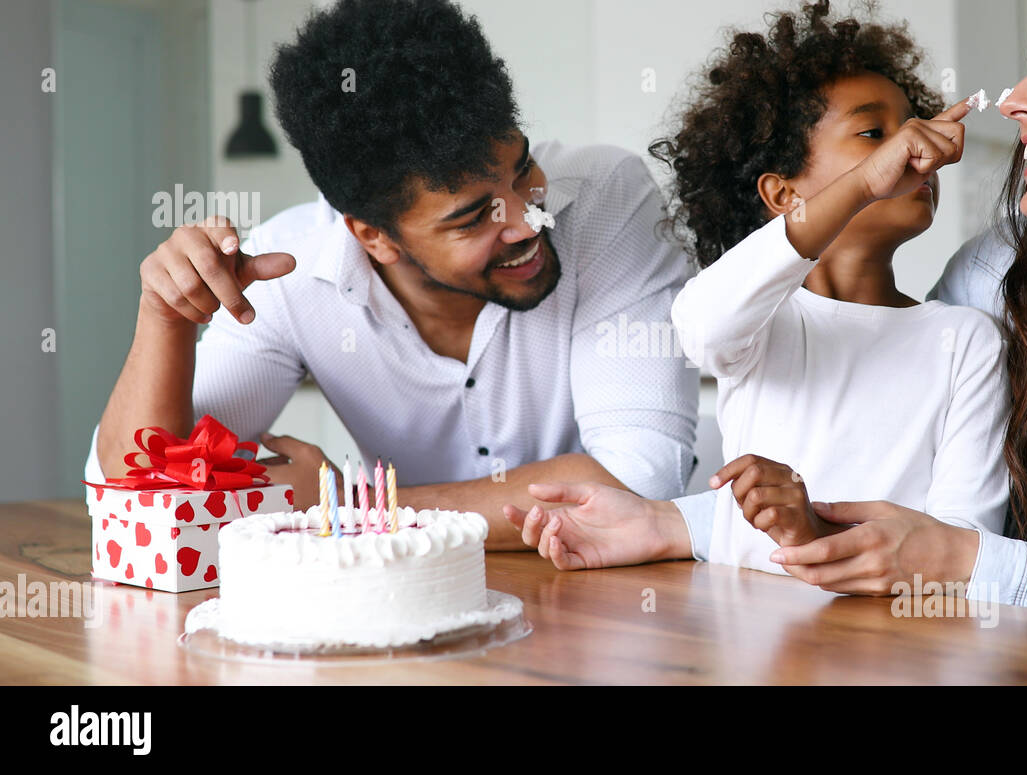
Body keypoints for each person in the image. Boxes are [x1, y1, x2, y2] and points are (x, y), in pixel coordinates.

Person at [509, 0, 1027, 635]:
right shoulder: (990, 282)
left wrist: (960, 561)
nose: (1018, 102)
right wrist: (669, 524)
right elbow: (873, 492)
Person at [85, 0, 698, 551]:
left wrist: (352, 510)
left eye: (522, 169)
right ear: (373, 237)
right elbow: (131, 490)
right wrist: (163, 317)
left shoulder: (605, 198)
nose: (528, 221)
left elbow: (638, 480)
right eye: (473, 217)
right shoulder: (291, 269)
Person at [510, 0, 1010, 586]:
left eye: (911, 126)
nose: (910, 149)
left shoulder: (965, 339)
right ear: (781, 195)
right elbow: (697, 324)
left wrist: (816, 536)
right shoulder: (759, 321)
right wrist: (866, 183)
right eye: (875, 133)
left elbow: (962, 550)